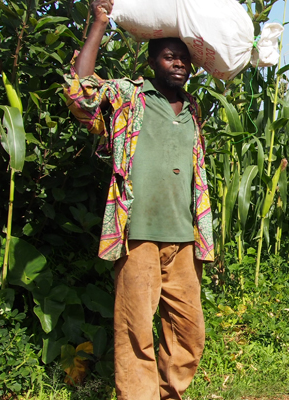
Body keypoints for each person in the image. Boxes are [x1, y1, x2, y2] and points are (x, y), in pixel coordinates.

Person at [63, 0, 215, 398]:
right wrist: (99, 22)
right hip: (139, 235)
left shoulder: (193, 109)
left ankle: (171, 393)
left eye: (184, 58)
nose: (179, 64)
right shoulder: (129, 98)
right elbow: (80, 95)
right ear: (152, 61)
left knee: (189, 333)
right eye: (169, 57)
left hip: (184, 239)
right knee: (135, 333)